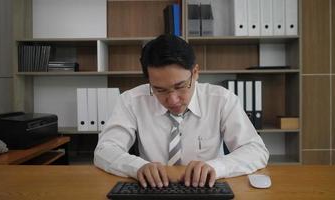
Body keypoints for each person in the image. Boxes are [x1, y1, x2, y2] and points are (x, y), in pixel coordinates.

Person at [94, 34, 269, 188]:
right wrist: (137, 166)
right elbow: (105, 150)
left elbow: (256, 150)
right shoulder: (131, 101)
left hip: (208, 188)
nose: (173, 100)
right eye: (159, 90)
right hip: (153, 190)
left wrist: (216, 167)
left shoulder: (221, 100)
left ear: (195, 73)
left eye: (180, 86)